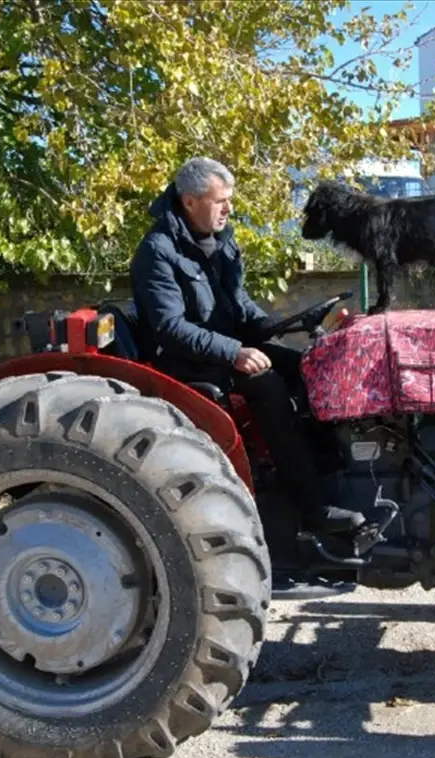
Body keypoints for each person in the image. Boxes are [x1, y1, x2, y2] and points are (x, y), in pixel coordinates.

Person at [129, 157, 365, 543]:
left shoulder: (220, 241)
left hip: (222, 350)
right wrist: (235, 351)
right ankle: (313, 508)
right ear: (190, 202)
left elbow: (239, 305)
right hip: (187, 362)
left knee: (310, 366)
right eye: (220, 200)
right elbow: (171, 329)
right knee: (266, 382)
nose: (229, 208)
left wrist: (274, 326)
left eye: (230, 199)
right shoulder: (156, 252)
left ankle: (333, 471)